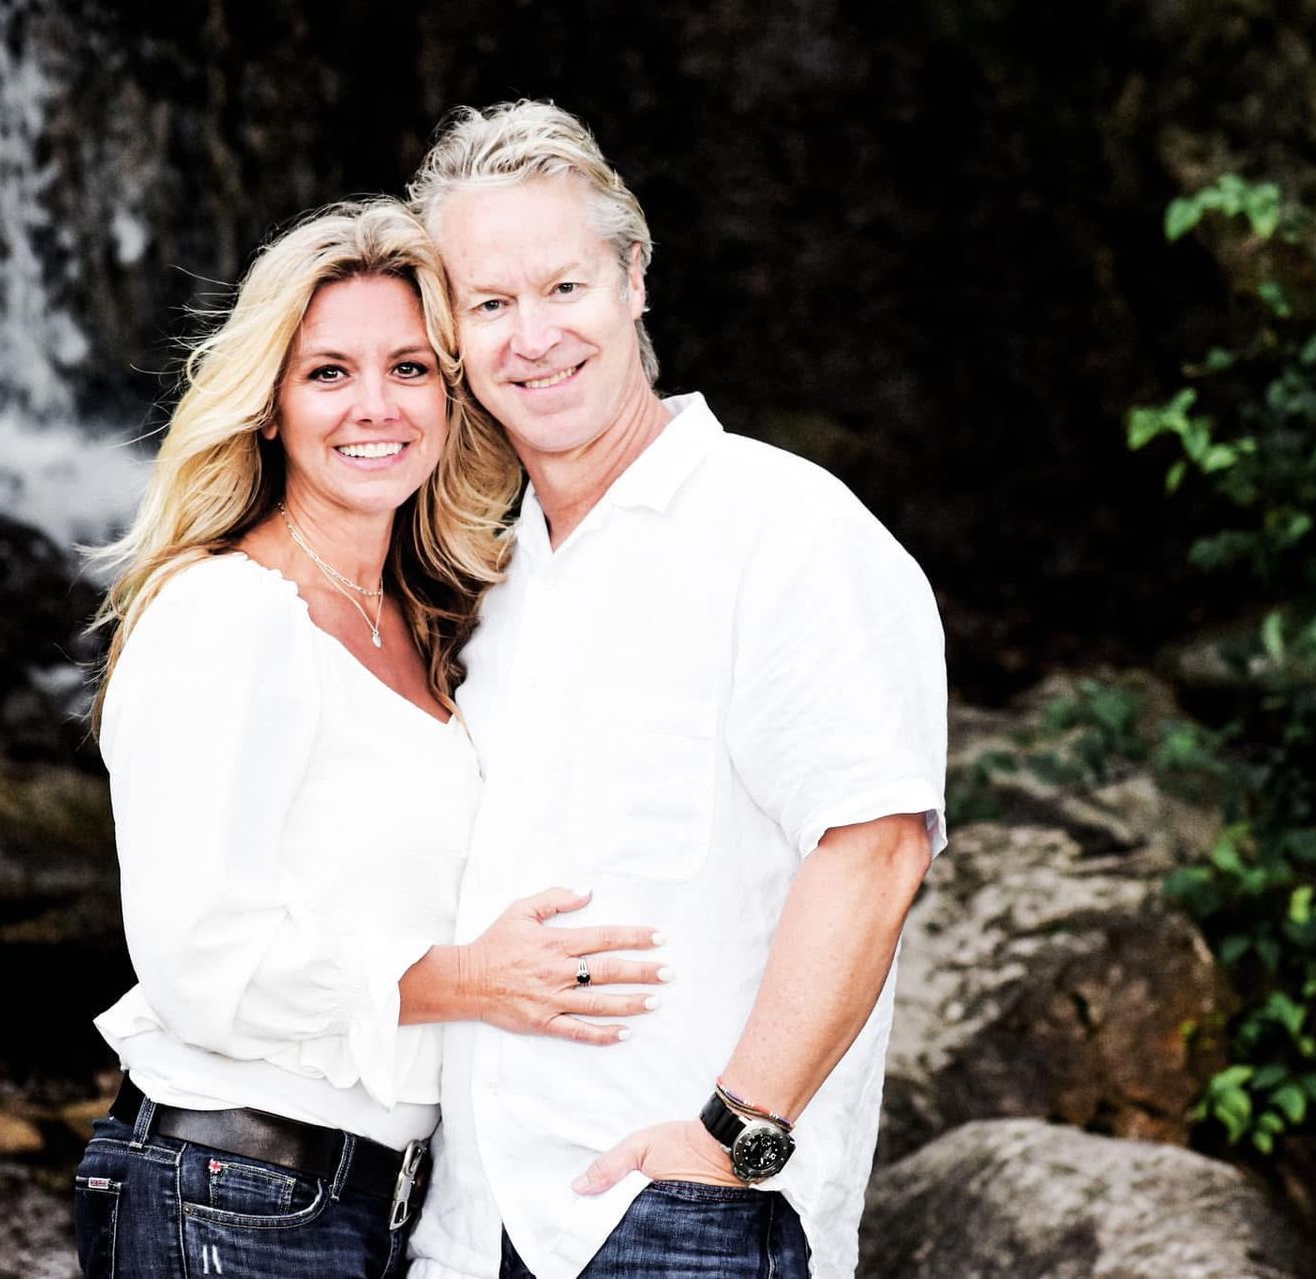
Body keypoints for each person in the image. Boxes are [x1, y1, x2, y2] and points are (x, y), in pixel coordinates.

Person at [401, 104, 949, 1279]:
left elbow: (878, 844)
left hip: (681, 1218)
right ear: (453, 333)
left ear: (635, 279)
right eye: (490, 305)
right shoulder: (489, 579)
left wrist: (735, 1136)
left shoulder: (782, 528)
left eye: (564, 287)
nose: (532, 336)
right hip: (474, 1225)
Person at [72, 199, 668, 1279]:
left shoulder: (433, 620)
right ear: (267, 405)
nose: (376, 407)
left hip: (385, 1203)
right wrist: (472, 982)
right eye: (329, 373)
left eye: (409, 368)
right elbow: (200, 956)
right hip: (231, 1189)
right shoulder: (228, 615)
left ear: (451, 393)